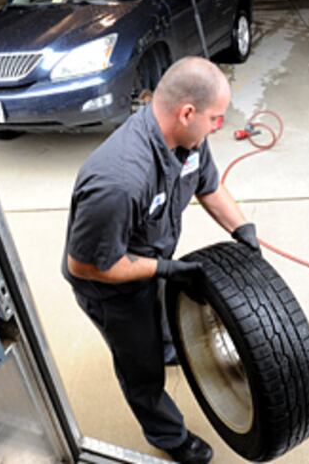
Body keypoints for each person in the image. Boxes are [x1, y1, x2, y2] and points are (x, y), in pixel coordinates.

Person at [62, 56, 260, 464]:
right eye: (216, 118)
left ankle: (165, 345)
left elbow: (209, 187)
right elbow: (85, 265)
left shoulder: (191, 142)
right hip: (110, 286)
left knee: (164, 318)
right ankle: (167, 435)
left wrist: (242, 229)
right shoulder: (119, 179)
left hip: (151, 259)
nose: (219, 126)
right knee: (142, 365)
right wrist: (165, 270)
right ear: (186, 112)